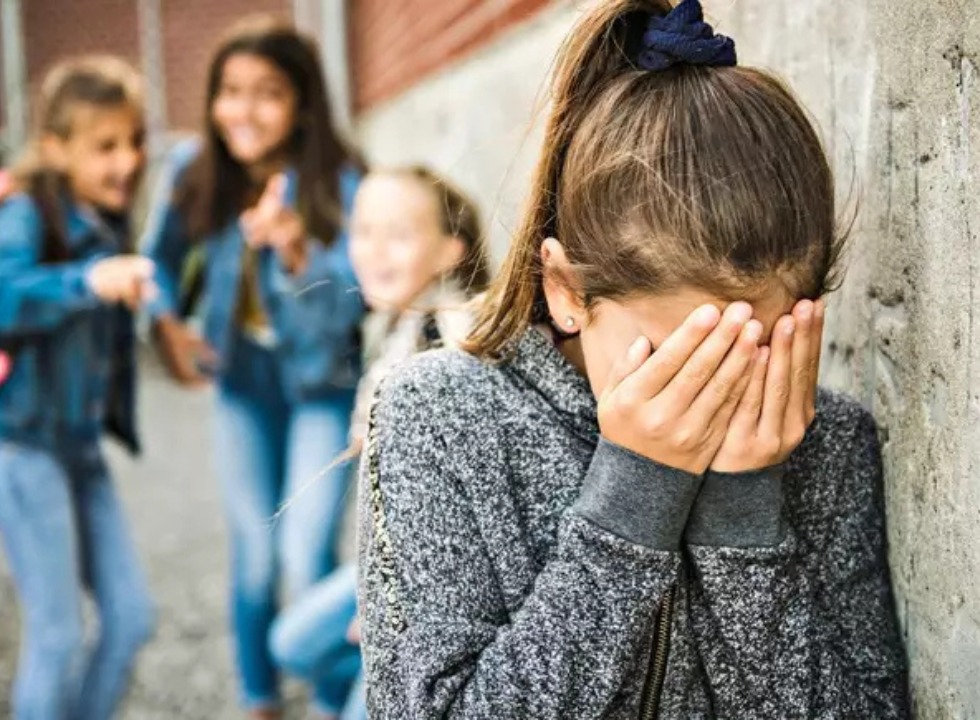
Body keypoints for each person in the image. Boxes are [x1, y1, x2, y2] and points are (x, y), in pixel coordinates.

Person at [357, 1, 910, 718]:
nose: (712, 394)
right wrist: (633, 500)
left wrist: (745, 517)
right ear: (566, 291)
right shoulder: (438, 417)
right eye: (677, 359)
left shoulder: (827, 443)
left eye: (750, 350)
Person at [142, 16, 365, 718]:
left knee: (304, 551)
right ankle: (259, 697)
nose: (243, 110)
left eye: (268, 93)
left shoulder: (340, 179)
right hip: (243, 385)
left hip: (323, 384)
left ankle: (336, 698)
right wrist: (166, 325)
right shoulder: (194, 169)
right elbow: (157, 261)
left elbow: (358, 300)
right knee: (256, 555)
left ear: (302, 102)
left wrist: (298, 251)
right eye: (230, 91)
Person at [269, 165, 491, 720]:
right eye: (363, 230)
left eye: (400, 234)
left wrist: (386, 611)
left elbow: (456, 510)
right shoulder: (396, 328)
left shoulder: (451, 343)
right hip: (390, 565)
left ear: (450, 252)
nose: (375, 250)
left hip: (433, 585)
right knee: (291, 644)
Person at [0, 56, 156, 720]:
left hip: (81, 449)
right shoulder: (26, 213)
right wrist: (86, 281)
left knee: (131, 617)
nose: (128, 160)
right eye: (106, 145)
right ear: (55, 148)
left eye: (135, 141)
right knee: (57, 636)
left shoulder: (109, 219)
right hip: (24, 446)